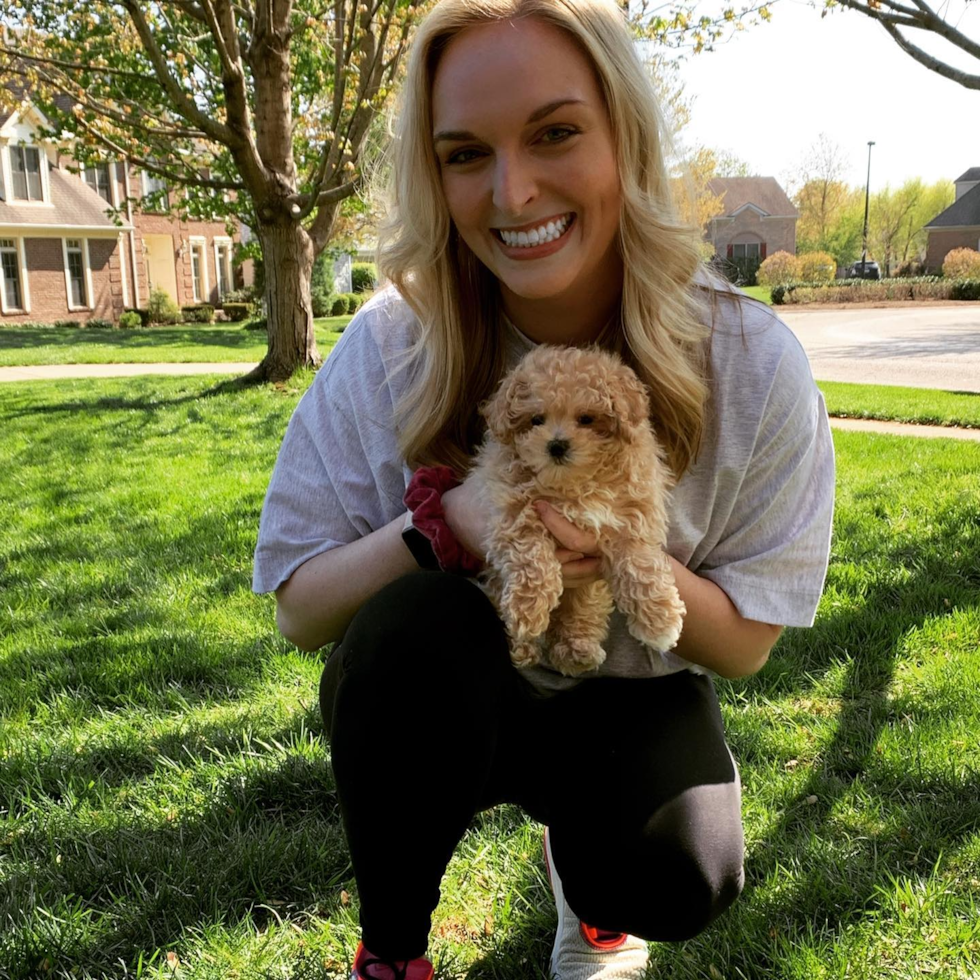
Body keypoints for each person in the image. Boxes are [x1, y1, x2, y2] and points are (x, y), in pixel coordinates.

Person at [252, 1, 835, 977]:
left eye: (554, 133)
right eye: (464, 152)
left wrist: (615, 547)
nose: (512, 192)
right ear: (432, 174)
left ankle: (595, 888)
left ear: (624, 137)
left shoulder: (748, 361)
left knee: (678, 873)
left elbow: (742, 643)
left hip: (628, 692)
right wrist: (448, 526)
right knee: (403, 637)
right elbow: (301, 612)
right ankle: (390, 949)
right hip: (458, 679)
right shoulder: (394, 343)